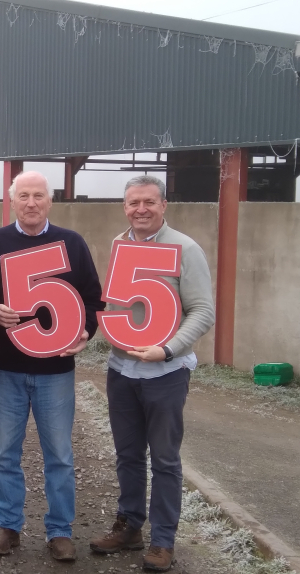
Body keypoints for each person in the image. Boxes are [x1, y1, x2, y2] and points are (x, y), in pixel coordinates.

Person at [0, 172, 105, 563]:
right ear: (11, 201)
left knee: (60, 455)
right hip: (6, 368)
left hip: (56, 372)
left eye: (39, 196)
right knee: (4, 454)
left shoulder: (72, 243)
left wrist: (86, 329)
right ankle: (8, 526)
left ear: (51, 201)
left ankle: (60, 531)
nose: (31, 203)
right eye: (24, 196)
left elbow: (92, 298)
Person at [89, 176, 214, 572]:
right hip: (121, 369)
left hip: (165, 371)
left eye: (148, 202)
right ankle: (129, 526)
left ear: (164, 205)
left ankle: (163, 541)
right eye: (132, 203)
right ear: (124, 207)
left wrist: (168, 348)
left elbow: (203, 311)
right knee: (127, 455)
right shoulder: (119, 245)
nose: (140, 209)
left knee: (164, 459)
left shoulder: (185, 248)